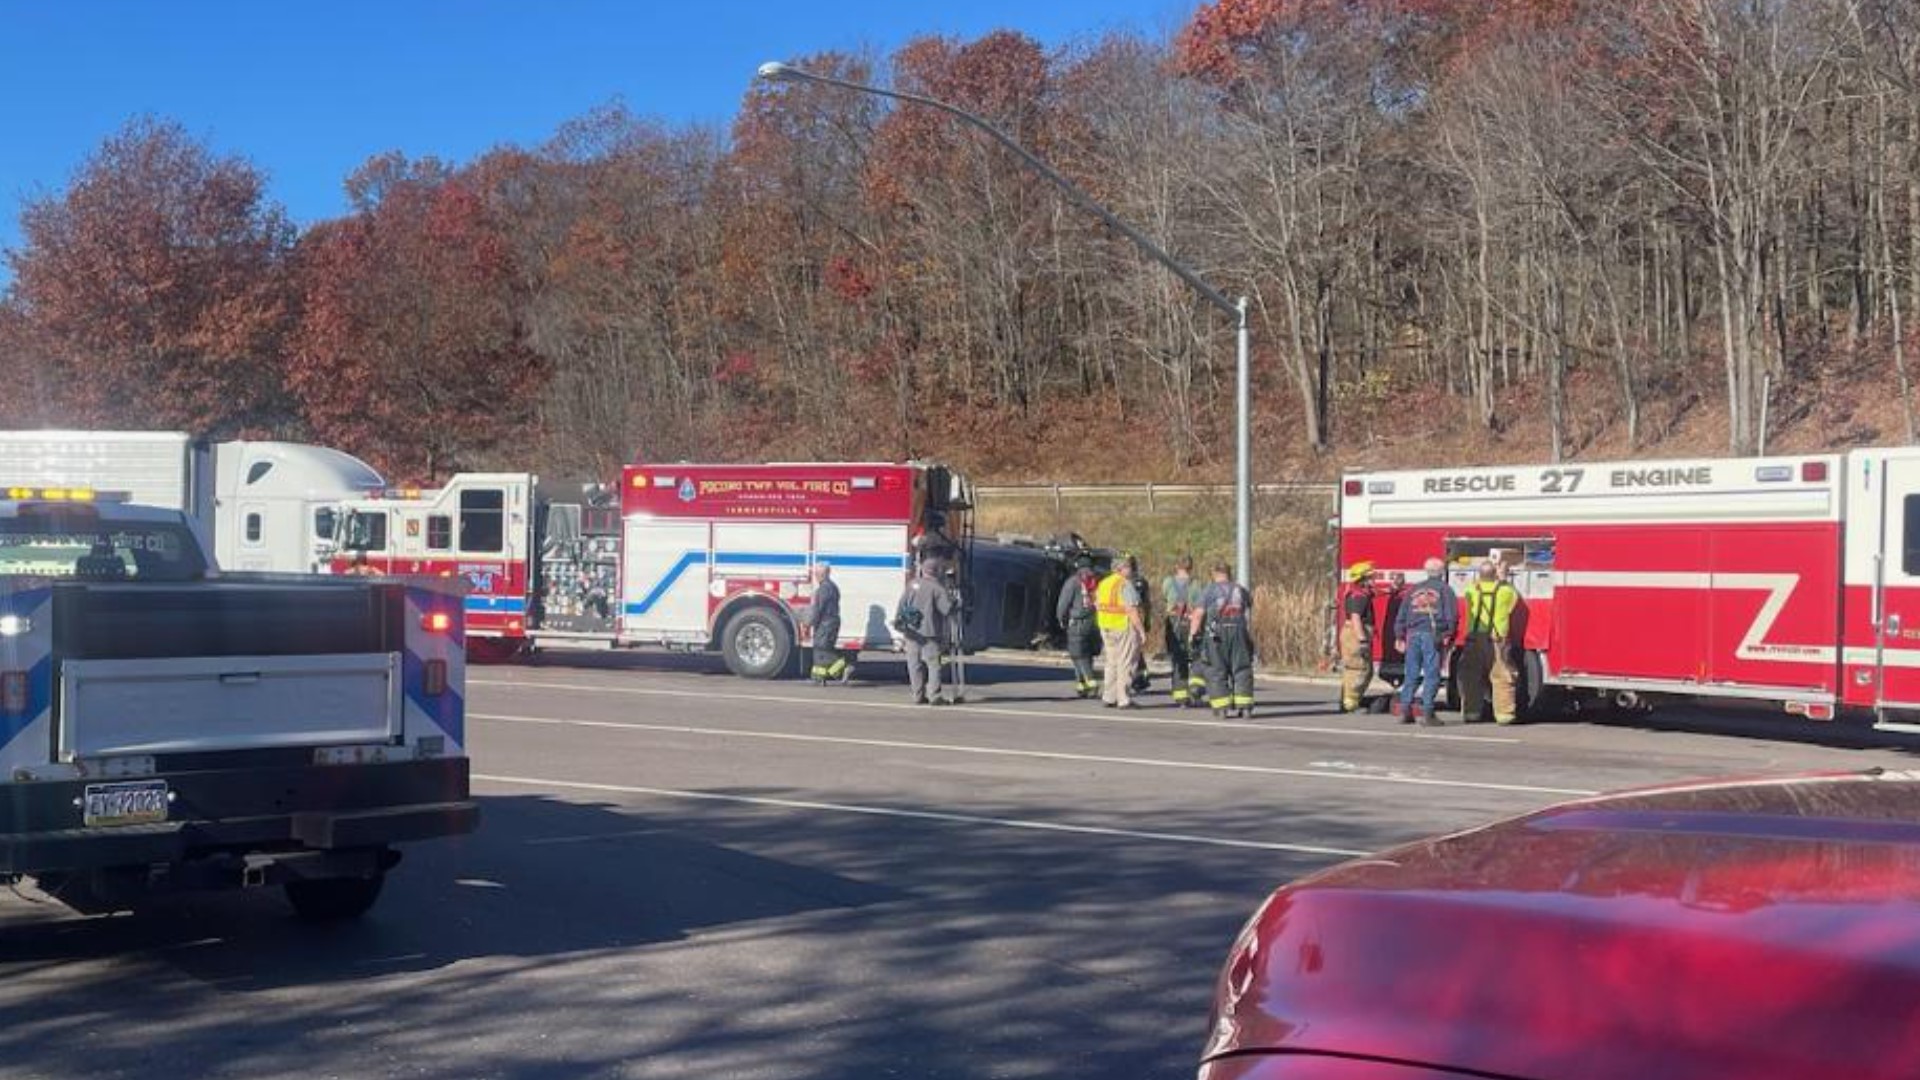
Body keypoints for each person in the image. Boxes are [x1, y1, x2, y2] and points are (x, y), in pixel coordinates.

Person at [1394, 557, 1457, 726]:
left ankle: (1405, 710)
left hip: (1412, 634)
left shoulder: (1414, 589)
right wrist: (1449, 633)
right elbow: (1451, 615)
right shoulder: (1445, 590)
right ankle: (1428, 713)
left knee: (1411, 673)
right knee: (1431, 674)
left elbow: (1402, 613)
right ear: (1442, 572)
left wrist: (1399, 636)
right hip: (1432, 635)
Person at [1457, 559, 1522, 723]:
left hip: (1474, 638)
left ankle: (1472, 713)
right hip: (1497, 638)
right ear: (1495, 574)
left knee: (1471, 677)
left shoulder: (1472, 589)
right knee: (1502, 677)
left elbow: (1468, 599)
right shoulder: (1505, 591)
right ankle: (1504, 715)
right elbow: (1514, 603)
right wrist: (1503, 577)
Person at [1194, 563, 1256, 718]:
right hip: (1239, 631)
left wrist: (1193, 634)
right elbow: (1249, 608)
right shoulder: (1240, 590)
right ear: (1229, 573)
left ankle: (1222, 708)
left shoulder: (1209, 590)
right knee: (1242, 668)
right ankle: (1245, 705)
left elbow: (1198, 614)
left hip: (1216, 633)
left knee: (1216, 669)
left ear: (1214, 574)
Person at [896, 559, 957, 705]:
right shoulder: (938, 588)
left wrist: (900, 623)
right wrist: (954, 601)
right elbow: (946, 610)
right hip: (930, 631)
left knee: (914, 664)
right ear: (936, 571)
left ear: (923, 570)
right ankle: (934, 695)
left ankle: (917, 695)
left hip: (911, 630)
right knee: (933, 664)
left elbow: (902, 604)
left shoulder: (912, 584)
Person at [1094, 558, 1146, 709]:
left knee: (1111, 662)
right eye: (1128, 568)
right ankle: (1123, 698)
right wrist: (1141, 631)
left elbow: (1097, 603)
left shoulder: (1104, 583)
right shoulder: (1125, 584)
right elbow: (1131, 609)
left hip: (1106, 626)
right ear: (1121, 569)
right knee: (1126, 662)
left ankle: (1109, 696)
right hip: (1123, 626)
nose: (1131, 570)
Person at [1056, 556, 1102, 698]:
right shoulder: (1098, 580)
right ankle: (1081, 684)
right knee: (1087, 653)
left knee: (1078, 654)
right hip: (1095, 622)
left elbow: (1063, 604)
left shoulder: (1072, 582)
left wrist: (1061, 619)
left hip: (1077, 623)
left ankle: (1091, 682)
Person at [1162, 556, 1202, 707]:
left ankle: (1180, 697)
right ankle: (1195, 689)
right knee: (1195, 657)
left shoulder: (1168, 582)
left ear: (1176, 566)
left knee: (1178, 659)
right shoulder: (1196, 583)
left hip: (1173, 623)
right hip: (1191, 621)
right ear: (1191, 567)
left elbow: (1165, 596)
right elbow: (1200, 604)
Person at [1338, 561, 1376, 713]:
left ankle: (1350, 700)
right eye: (1371, 576)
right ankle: (1350, 702)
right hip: (1355, 633)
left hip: (1355, 632)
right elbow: (1356, 618)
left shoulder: (1361, 592)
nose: (1374, 578)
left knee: (1364, 668)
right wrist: (1362, 639)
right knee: (1358, 668)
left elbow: (1375, 593)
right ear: (1363, 579)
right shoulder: (1358, 596)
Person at [806, 562, 853, 685]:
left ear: (820, 574)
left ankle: (845, 667)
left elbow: (818, 609)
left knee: (823, 650)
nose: (815, 576)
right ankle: (820, 678)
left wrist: (809, 623)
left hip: (825, 624)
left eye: (816, 573)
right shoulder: (833, 587)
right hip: (831, 622)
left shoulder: (823, 589)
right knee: (821, 650)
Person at [1128, 554, 1152, 694]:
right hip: (1140, 616)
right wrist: (1147, 619)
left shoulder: (1122, 581)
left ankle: (1136, 678)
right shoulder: (1141, 581)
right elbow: (1147, 603)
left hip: (1126, 618)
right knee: (1137, 649)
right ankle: (1141, 676)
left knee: (1129, 650)